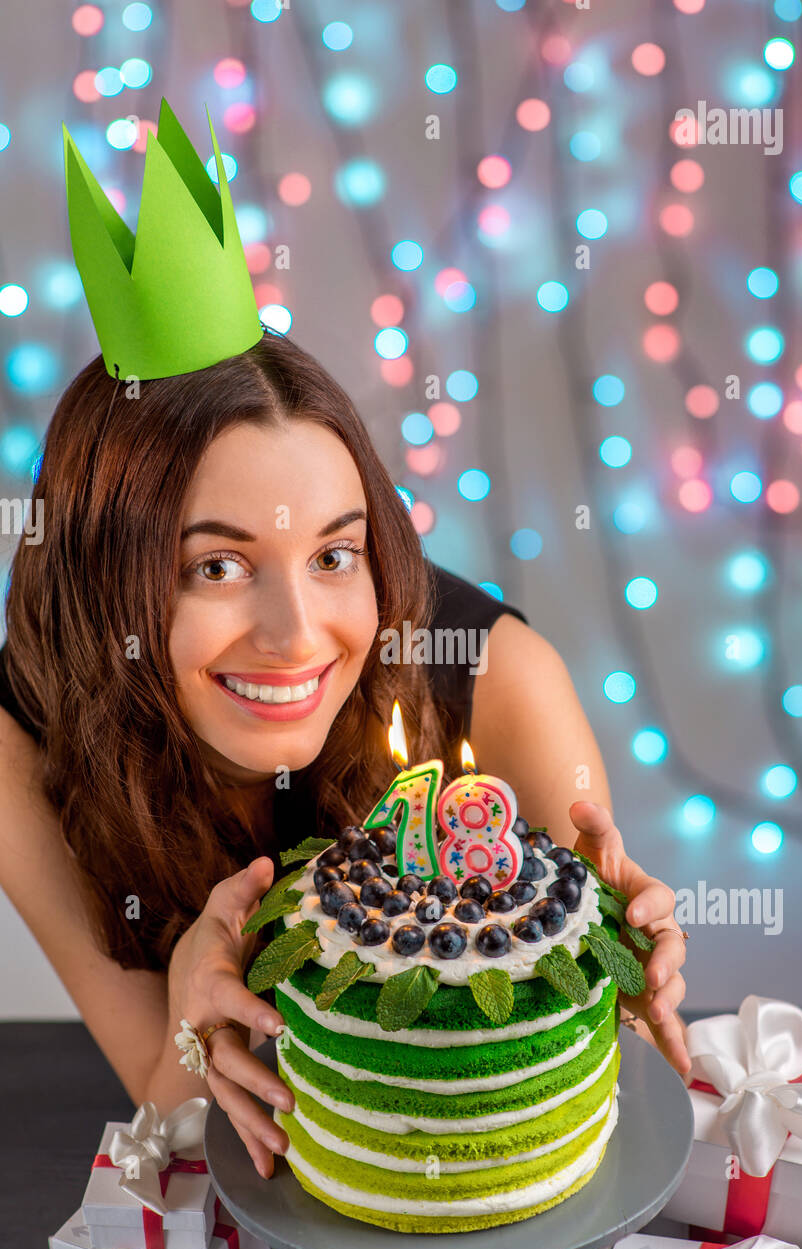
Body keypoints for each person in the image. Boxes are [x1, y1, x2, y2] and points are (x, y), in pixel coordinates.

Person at [0, 331, 688, 1182]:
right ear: (101, 583)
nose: (295, 637)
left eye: (333, 555)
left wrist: (620, 954)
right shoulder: (25, 736)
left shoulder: (498, 675)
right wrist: (196, 987)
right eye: (215, 566)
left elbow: (572, 1056)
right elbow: (160, 1097)